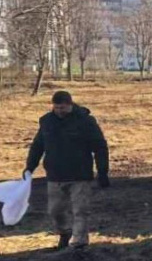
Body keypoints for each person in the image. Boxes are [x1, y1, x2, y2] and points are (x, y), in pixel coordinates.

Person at [24, 90, 110, 250]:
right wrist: (30, 166)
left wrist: (103, 171)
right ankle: (65, 232)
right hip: (55, 175)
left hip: (80, 174)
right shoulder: (47, 122)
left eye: (62, 108)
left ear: (70, 105)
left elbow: (100, 146)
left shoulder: (85, 121)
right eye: (56, 108)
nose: (59, 111)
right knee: (55, 211)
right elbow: (37, 146)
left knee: (80, 210)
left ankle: (80, 243)